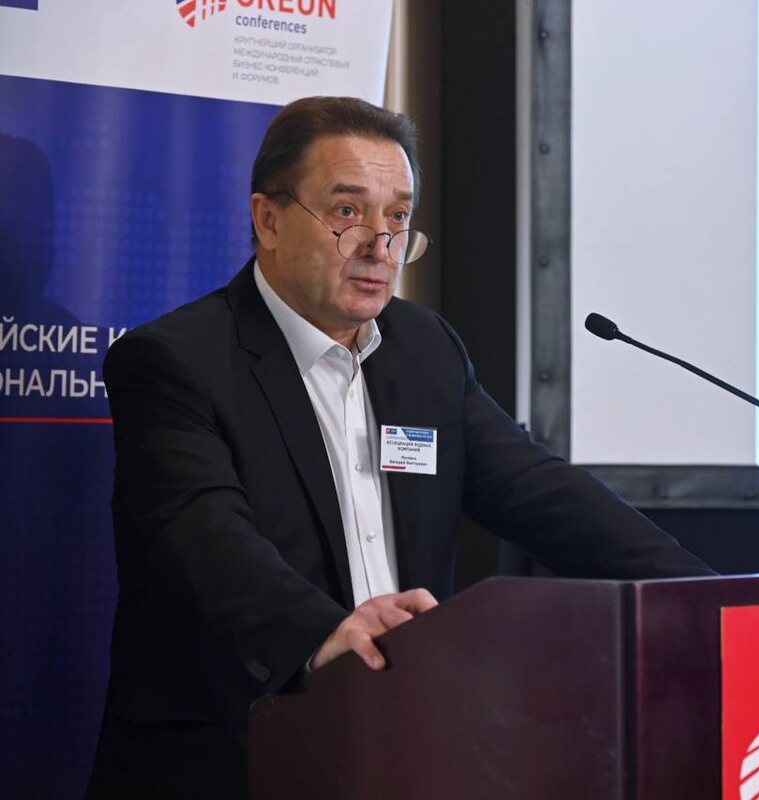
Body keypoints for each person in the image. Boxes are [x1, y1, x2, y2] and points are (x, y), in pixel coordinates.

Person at [87, 96, 713, 798]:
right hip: (236, 754)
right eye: (347, 212)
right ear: (268, 219)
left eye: (398, 218)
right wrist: (329, 633)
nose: (379, 246)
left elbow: (543, 492)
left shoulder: (424, 350)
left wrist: (705, 600)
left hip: (398, 745)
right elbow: (200, 535)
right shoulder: (178, 360)